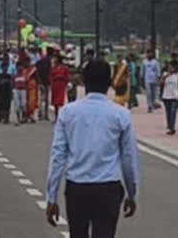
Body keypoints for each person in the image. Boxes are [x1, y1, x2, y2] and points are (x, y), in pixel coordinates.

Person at [44, 59, 139, 237]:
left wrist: (51, 197)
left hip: (77, 188)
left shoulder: (68, 113)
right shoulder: (121, 115)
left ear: (83, 81)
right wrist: (132, 194)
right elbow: (128, 159)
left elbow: (58, 157)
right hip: (108, 187)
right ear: (110, 83)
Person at [160, 62, 178, 135]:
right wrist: (165, 77)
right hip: (166, 96)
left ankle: (172, 127)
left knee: (173, 112)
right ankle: (169, 126)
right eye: (169, 67)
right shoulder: (165, 74)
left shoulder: (177, 75)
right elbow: (161, 83)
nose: (170, 69)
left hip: (174, 96)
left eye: (172, 67)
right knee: (168, 112)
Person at [36, 49, 52, 120]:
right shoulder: (48, 62)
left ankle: (40, 113)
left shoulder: (38, 62)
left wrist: (39, 82)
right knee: (46, 99)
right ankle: (45, 114)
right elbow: (49, 73)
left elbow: (37, 73)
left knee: (41, 98)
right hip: (46, 82)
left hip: (41, 82)